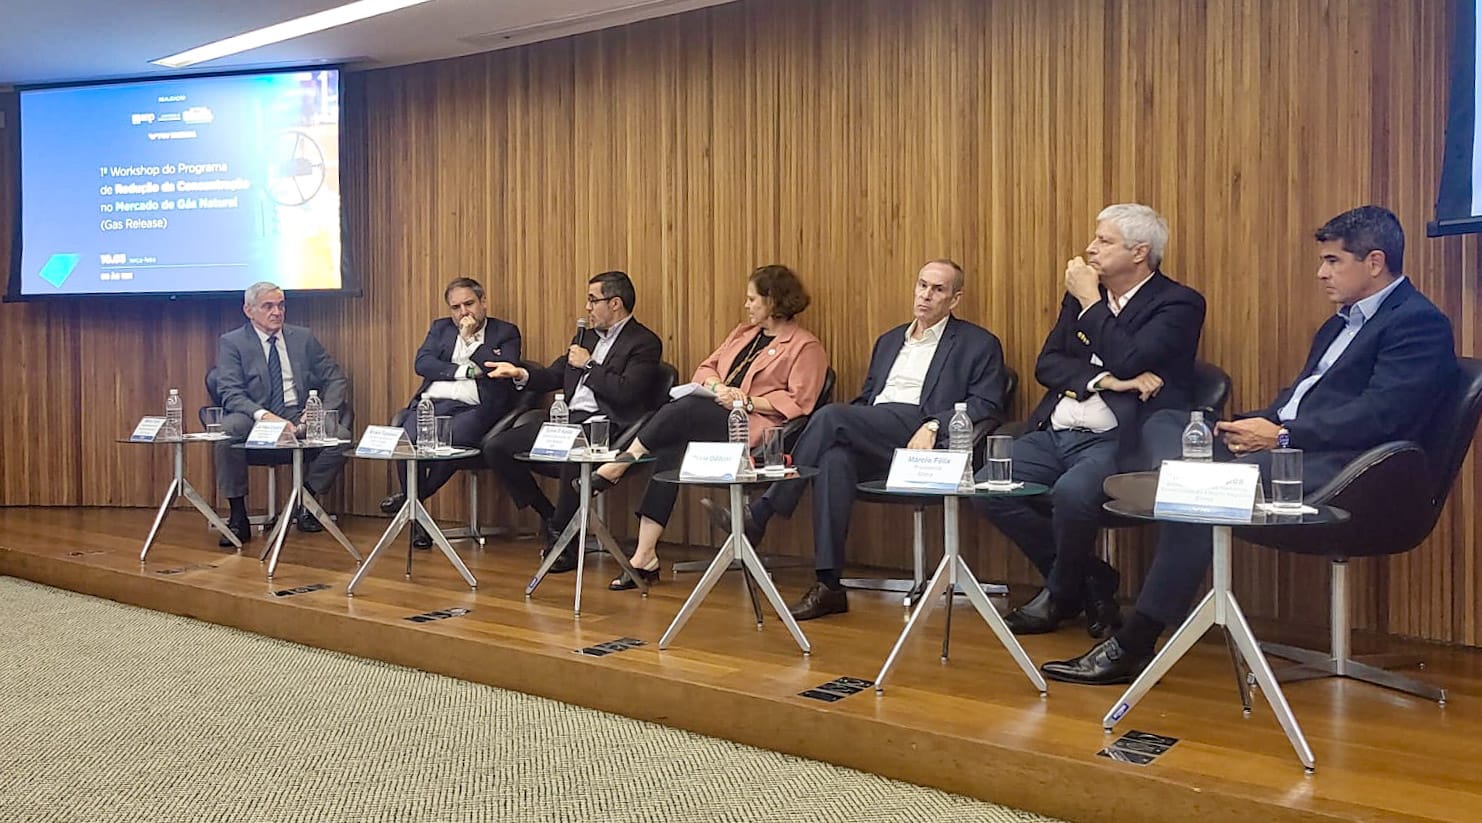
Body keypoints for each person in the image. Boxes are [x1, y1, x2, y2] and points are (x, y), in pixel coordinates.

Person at [1042, 205, 1459, 685]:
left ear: (1375, 262)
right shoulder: (1339, 324)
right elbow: (1302, 398)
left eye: (1333, 261)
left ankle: (1134, 642)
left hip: (1354, 468)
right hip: (1293, 447)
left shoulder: (1417, 323)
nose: (1321, 273)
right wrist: (1254, 425)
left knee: (1199, 494)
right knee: (1174, 422)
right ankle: (1172, 481)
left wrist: (1282, 434)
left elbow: (1383, 416)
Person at [705, 259, 1008, 620]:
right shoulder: (889, 341)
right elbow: (867, 400)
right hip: (879, 433)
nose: (926, 295)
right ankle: (829, 585)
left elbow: (987, 403)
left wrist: (933, 425)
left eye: (937, 289)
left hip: (923, 433)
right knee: (834, 460)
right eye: (922, 285)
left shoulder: (978, 343)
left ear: (954, 299)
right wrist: (854, 427)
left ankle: (763, 512)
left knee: (831, 416)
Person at [976, 204, 1206, 640]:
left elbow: (1131, 358)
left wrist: (1090, 303)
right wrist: (1106, 381)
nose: (1090, 248)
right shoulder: (1081, 298)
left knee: (1072, 494)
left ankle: (1061, 594)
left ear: (1139, 252)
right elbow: (1048, 364)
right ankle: (1091, 579)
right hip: (1056, 430)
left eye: (1104, 241)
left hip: (1116, 440)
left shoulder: (1178, 303)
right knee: (988, 486)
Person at [588, 265, 828, 590]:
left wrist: (746, 401)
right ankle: (645, 556)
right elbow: (705, 368)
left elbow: (802, 401)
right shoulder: (744, 334)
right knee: (672, 446)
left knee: (686, 408)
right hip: (715, 414)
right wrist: (718, 388)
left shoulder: (804, 346)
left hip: (752, 430)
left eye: (752, 299)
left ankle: (622, 462)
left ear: (772, 300)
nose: (746, 305)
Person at [482, 271, 665, 570]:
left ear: (615, 303)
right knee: (496, 447)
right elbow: (554, 375)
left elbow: (627, 392)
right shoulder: (585, 337)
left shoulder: (644, 342)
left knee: (573, 453)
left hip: (604, 426)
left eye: (593, 300)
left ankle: (566, 546)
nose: (587, 308)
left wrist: (589, 365)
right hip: (566, 421)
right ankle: (551, 517)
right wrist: (519, 373)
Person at [379, 277, 522, 548]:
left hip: (476, 407)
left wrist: (469, 341)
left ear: (483, 302)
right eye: (456, 307)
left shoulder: (505, 332)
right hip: (432, 403)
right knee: (405, 442)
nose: (463, 313)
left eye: (469, 304)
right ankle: (418, 520)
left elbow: (502, 367)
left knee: (452, 441)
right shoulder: (441, 328)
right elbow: (423, 363)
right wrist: (462, 370)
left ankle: (411, 500)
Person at [214, 281, 352, 547]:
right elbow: (230, 392)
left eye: (280, 305)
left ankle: (304, 501)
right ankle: (238, 516)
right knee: (227, 432)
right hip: (255, 416)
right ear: (249, 310)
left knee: (341, 437)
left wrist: (318, 411)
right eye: (268, 306)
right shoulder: (232, 342)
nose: (276, 312)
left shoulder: (303, 337)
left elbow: (335, 377)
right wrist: (264, 416)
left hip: (298, 412)